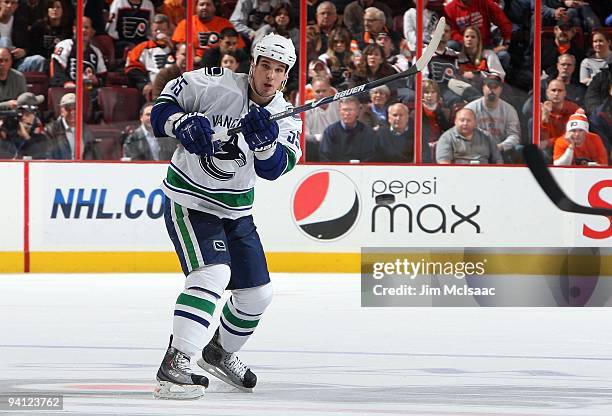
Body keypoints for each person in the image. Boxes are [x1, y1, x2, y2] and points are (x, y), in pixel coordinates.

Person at [150, 33, 302, 399]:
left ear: (285, 77)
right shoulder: (213, 82)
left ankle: (218, 351)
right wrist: (182, 123)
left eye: (279, 70)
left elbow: (277, 168)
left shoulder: (285, 117)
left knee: (257, 296)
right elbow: (162, 107)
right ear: (253, 65)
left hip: (236, 210)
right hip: (191, 200)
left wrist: (265, 146)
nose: (269, 75)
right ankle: (175, 362)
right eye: (265, 65)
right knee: (213, 272)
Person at [464, 73, 521, 162]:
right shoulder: (470, 109)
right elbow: (464, 134)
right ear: (483, 88)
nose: (492, 90)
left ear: (500, 89)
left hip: (502, 151)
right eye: (489, 86)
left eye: (495, 87)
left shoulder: (509, 110)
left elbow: (514, 136)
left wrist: (500, 147)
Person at [172, 0, 246, 60]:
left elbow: (238, 47)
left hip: (219, 63)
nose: (204, 7)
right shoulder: (186, 23)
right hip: (193, 64)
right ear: (196, 7)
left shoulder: (225, 24)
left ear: (214, 7)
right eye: (201, 4)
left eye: (208, 4)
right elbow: (178, 48)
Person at [125, 13, 174, 102]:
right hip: (154, 87)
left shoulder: (177, 47)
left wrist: (172, 48)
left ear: (168, 31)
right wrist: (145, 83)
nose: (159, 33)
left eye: (163, 30)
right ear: (151, 31)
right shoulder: (143, 47)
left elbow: (184, 63)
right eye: (156, 30)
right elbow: (131, 68)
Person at [436, 107, 502, 164]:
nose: (465, 123)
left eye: (469, 120)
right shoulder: (446, 137)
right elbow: (443, 163)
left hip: (485, 175)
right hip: (458, 175)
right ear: (455, 121)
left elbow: (498, 160)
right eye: (462, 120)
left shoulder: (486, 136)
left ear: (475, 122)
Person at [319, 96, 375, 162]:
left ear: (358, 111)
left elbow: (370, 156)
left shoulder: (367, 131)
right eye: (344, 110)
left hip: (360, 170)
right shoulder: (330, 131)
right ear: (339, 111)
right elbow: (325, 157)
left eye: (350, 110)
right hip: (336, 170)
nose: (347, 113)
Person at [45, 92, 97, 159]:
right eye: (67, 108)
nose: (72, 112)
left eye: (75, 108)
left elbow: (92, 155)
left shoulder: (86, 129)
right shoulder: (51, 130)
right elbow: (49, 157)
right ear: (61, 111)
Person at [0, 92, 49, 159]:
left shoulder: (40, 138)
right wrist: (5, 105)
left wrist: (26, 136)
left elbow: (40, 158)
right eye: (27, 114)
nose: (34, 117)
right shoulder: (7, 135)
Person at [303, 75, 339, 162]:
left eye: (324, 91)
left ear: (330, 91)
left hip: (337, 146)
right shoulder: (305, 108)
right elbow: (304, 136)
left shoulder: (339, 105)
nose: (321, 94)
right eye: (317, 91)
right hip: (315, 148)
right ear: (312, 92)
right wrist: (322, 138)